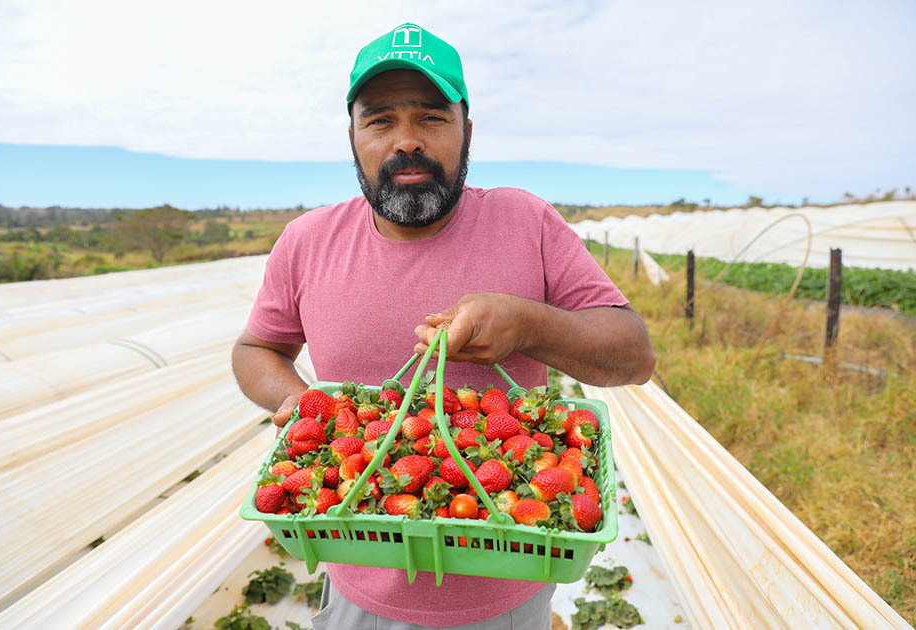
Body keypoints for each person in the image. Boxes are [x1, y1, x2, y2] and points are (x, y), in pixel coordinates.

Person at [232, 21, 656, 630]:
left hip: (509, 586)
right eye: (380, 120)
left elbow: (633, 356)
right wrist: (306, 410)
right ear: (352, 137)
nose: (407, 140)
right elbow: (255, 350)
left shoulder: (526, 222)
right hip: (358, 578)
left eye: (431, 117)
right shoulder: (307, 242)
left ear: (467, 130)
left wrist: (527, 324)